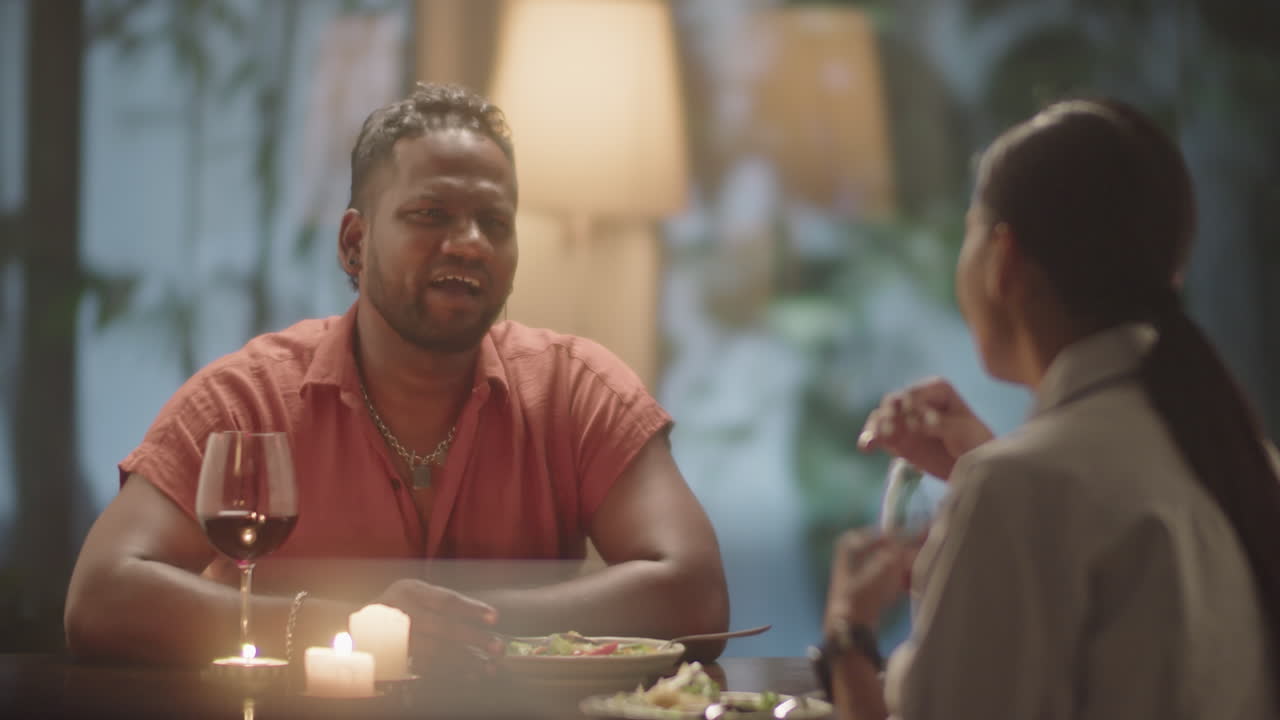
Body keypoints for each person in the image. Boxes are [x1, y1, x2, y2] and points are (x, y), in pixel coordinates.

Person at [64, 83, 730, 666]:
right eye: (430, 215)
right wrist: (355, 628)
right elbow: (100, 597)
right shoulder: (247, 401)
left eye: (494, 222)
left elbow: (696, 592)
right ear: (354, 244)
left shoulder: (574, 389)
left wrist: (464, 625)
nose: (469, 243)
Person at [819, 98, 1280, 719]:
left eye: (970, 231)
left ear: (1003, 260)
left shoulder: (1020, 489)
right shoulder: (1246, 463)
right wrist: (986, 468)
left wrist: (848, 632)